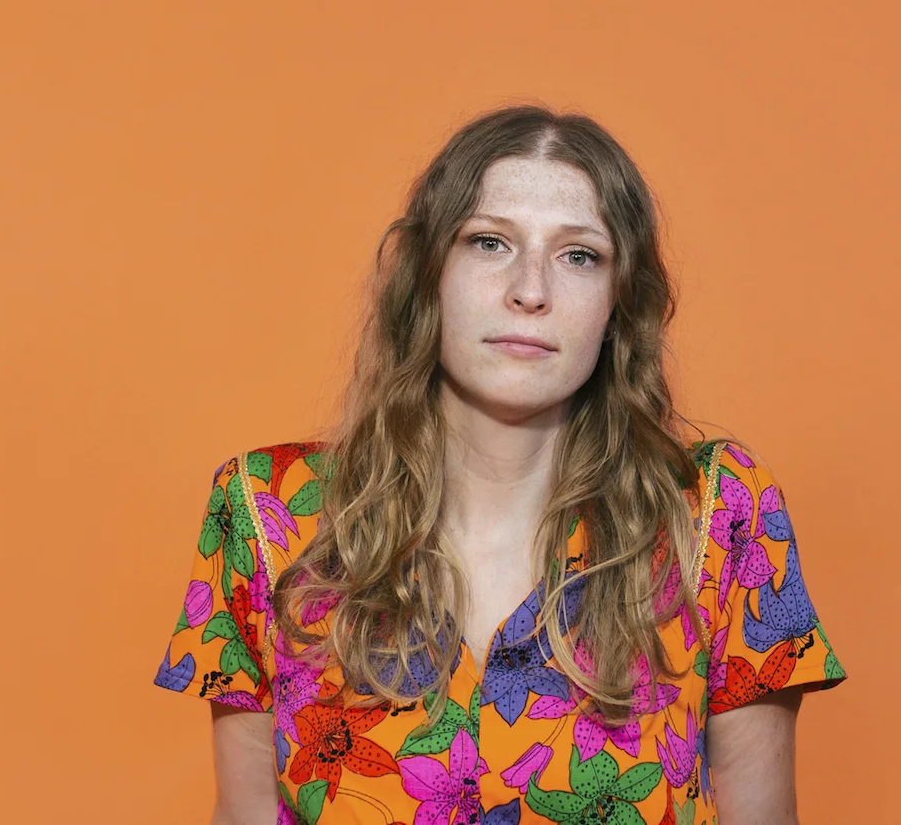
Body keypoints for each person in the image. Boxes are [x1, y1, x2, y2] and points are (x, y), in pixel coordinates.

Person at [152, 104, 847, 825]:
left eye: (579, 255)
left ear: (618, 304)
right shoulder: (268, 512)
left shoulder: (714, 512)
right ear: (427, 273)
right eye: (489, 242)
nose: (531, 290)